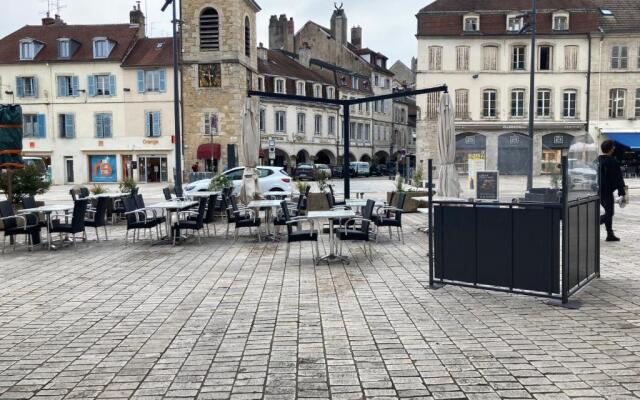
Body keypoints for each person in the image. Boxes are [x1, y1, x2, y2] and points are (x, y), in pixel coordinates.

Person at [599, 140, 627, 242]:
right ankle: (593, 224)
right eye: (613, 147)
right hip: (607, 191)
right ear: (610, 149)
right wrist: (622, 192)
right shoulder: (613, 161)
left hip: (598, 189)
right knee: (609, 213)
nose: (614, 148)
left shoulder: (597, 160)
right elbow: (618, 178)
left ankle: (610, 234)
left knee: (607, 212)